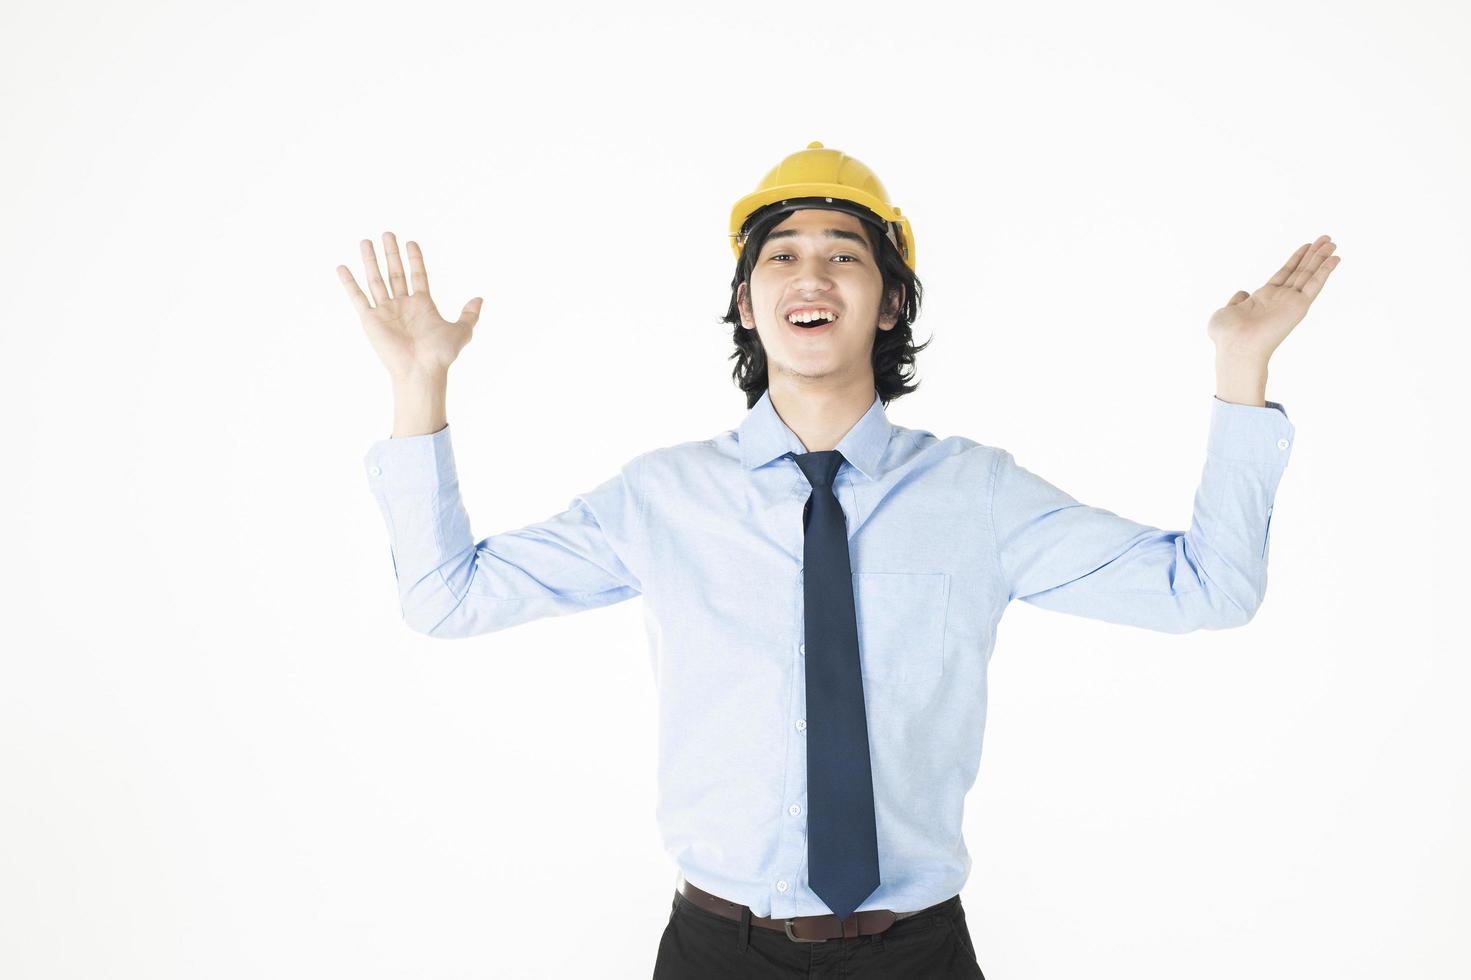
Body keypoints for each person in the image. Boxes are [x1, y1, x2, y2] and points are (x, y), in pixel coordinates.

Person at [336, 141, 1340, 978]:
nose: (810, 275)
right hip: (714, 950)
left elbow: (1207, 586)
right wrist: (420, 383)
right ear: (744, 302)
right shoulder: (661, 498)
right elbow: (445, 596)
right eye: (780, 256)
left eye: (844, 254)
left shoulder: (976, 495)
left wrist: (1239, 370)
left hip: (916, 952)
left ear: (891, 303)